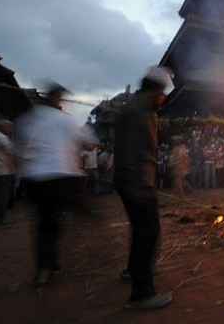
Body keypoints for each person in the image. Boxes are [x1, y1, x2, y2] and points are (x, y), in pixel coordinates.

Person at [15, 83, 99, 286]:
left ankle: (45, 267)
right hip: (62, 178)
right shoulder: (67, 120)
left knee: (45, 224)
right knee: (57, 216)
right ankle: (84, 210)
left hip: (37, 179)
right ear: (58, 100)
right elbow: (89, 141)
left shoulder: (29, 119)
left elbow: (20, 151)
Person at [113, 66, 173, 310]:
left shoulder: (140, 108)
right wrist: (137, 185)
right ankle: (142, 294)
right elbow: (128, 151)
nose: (164, 97)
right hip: (136, 182)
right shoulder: (137, 112)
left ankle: (134, 269)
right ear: (154, 89)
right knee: (148, 234)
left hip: (137, 180)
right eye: (162, 92)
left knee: (141, 232)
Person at [0, 118, 15, 225]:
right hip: (3, 171)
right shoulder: (2, 138)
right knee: (2, 196)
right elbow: (11, 152)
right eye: (8, 127)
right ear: (2, 127)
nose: (10, 129)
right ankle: (0, 219)